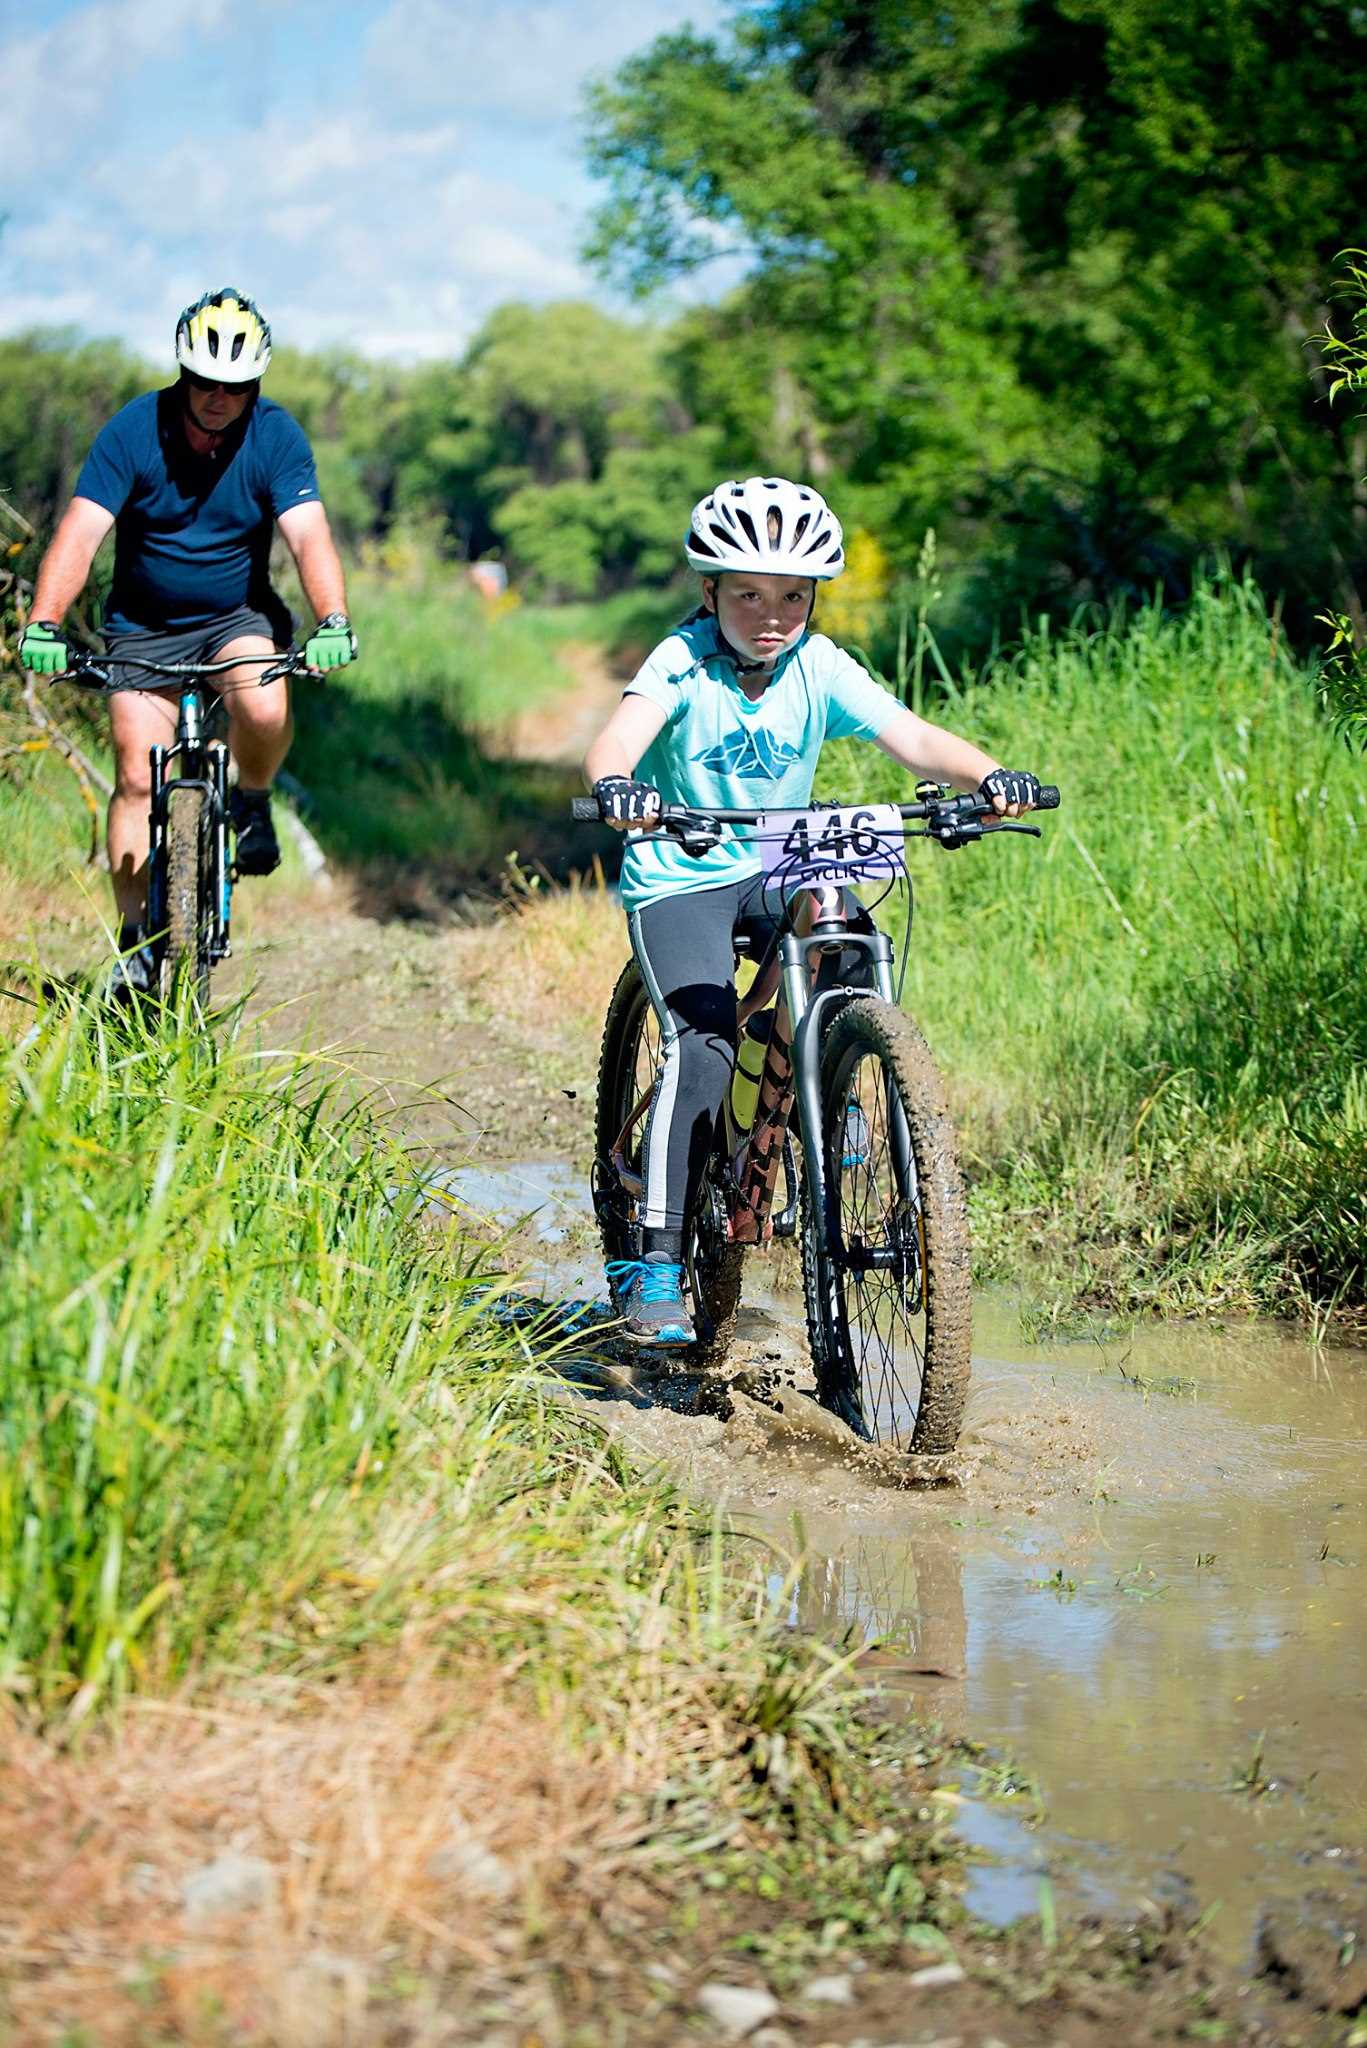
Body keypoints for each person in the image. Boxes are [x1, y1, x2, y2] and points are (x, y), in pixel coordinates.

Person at [582, 474, 1043, 1345]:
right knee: (704, 1045)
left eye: (793, 596)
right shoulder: (680, 660)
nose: (772, 616)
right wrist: (617, 785)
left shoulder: (818, 666)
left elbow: (912, 737)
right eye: (748, 595)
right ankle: (653, 1256)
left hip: (774, 862)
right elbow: (621, 736)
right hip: (681, 869)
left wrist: (988, 776)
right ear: (709, 591)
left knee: (847, 928)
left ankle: (830, 1079)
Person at [18, 287, 357, 994]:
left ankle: (253, 798)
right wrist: (44, 622)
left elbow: (308, 536)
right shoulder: (133, 431)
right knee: (137, 775)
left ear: (254, 384)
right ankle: (134, 949)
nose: (217, 398)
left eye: (235, 386)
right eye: (204, 382)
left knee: (263, 706)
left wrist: (332, 620)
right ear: (182, 373)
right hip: (141, 626)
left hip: (237, 618)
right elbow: (81, 532)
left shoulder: (276, 436)